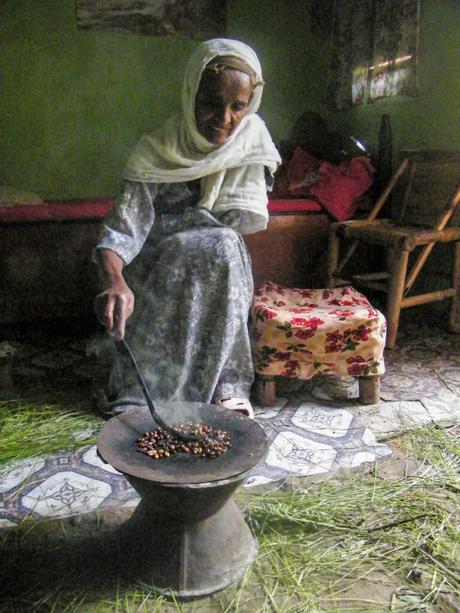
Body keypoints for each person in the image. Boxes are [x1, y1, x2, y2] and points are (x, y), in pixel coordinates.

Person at [93, 38, 280, 419]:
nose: (224, 119)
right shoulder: (157, 151)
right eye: (211, 103)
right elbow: (119, 234)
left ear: (251, 105)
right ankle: (147, 389)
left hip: (215, 272)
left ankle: (227, 386)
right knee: (218, 246)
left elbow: (236, 227)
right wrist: (115, 281)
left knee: (226, 246)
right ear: (190, 94)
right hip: (161, 274)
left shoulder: (250, 144)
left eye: (237, 106)